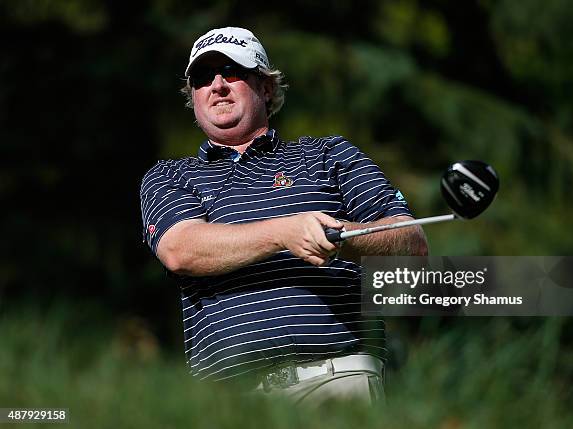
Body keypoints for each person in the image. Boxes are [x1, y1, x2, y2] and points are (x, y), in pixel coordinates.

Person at [140, 27, 428, 405]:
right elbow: (181, 249)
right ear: (192, 95)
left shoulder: (328, 155)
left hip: (335, 377)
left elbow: (411, 244)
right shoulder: (169, 175)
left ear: (266, 89)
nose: (217, 85)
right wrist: (285, 233)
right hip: (229, 401)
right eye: (203, 77)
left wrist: (341, 235)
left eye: (232, 72)